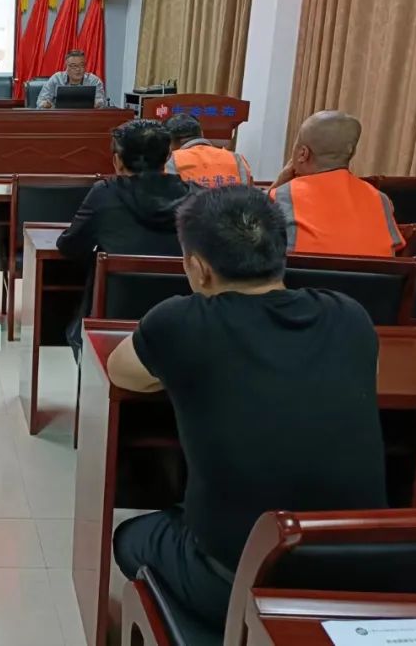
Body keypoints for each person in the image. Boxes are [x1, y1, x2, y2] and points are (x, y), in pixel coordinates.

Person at [107, 186, 387, 629]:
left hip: (237, 582)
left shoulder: (181, 322)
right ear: (281, 251)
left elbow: (121, 371)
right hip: (360, 573)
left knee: (129, 538)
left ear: (199, 269)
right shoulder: (350, 315)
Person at [57, 120, 194, 354]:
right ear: (168, 157)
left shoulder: (104, 194)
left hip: (114, 324)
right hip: (184, 323)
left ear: (117, 161)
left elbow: (69, 246)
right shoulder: (197, 197)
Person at [269, 111, 402, 256]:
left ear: (303, 153)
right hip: (375, 272)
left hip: (301, 272)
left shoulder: (283, 196)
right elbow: (392, 253)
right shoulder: (381, 200)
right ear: (352, 153)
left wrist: (277, 185)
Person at [164, 113, 252, 187]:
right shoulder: (236, 158)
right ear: (202, 133)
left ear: (170, 141)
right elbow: (247, 192)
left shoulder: (171, 161)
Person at [36, 50, 108, 109]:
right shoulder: (56, 79)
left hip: (86, 118)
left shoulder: (94, 81)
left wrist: (98, 103)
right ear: (66, 66)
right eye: (74, 66)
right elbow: (40, 101)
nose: (78, 69)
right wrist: (46, 104)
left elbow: (101, 102)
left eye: (81, 65)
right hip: (60, 118)